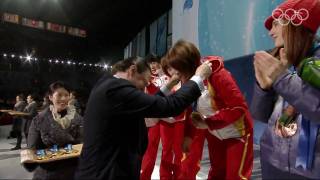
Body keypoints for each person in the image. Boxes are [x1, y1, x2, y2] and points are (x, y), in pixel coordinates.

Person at [75, 56, 212, 180]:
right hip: (107, 173)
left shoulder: (108, 85)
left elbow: (149, 103)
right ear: (132, 70)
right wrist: (198, 77)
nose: (144, 88)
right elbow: (170, 106)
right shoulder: (117, 90)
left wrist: (170, 84)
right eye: (144, 83)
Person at [161, 40, 253, 180]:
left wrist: (210, 123)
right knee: (216, 174)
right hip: (215, 134)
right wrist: (189, 136)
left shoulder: (217, 74)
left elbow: (239, 107)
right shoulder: (189, 80)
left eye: (178, 71)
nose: (176, 76)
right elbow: (192, 110)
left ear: (187, 65)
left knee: (236, 176)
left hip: (238, 133)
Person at [251, 0, 320, 179]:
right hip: (272, 163)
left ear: (296, 25)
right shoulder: (285, 62)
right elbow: (260, 115)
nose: (270, 32)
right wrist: (263, 89)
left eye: (276, 24)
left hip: (308, 172)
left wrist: (281, 78)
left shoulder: (312, 65)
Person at [24, 81, 83, 180]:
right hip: (47, 172)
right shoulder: (39, 120)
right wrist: (29, 158)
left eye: (66, 95)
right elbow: (32, 148)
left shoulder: (78, 119)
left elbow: (83, 143)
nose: (63, 98)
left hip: (73, 171)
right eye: (59, 95)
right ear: (50, 97)